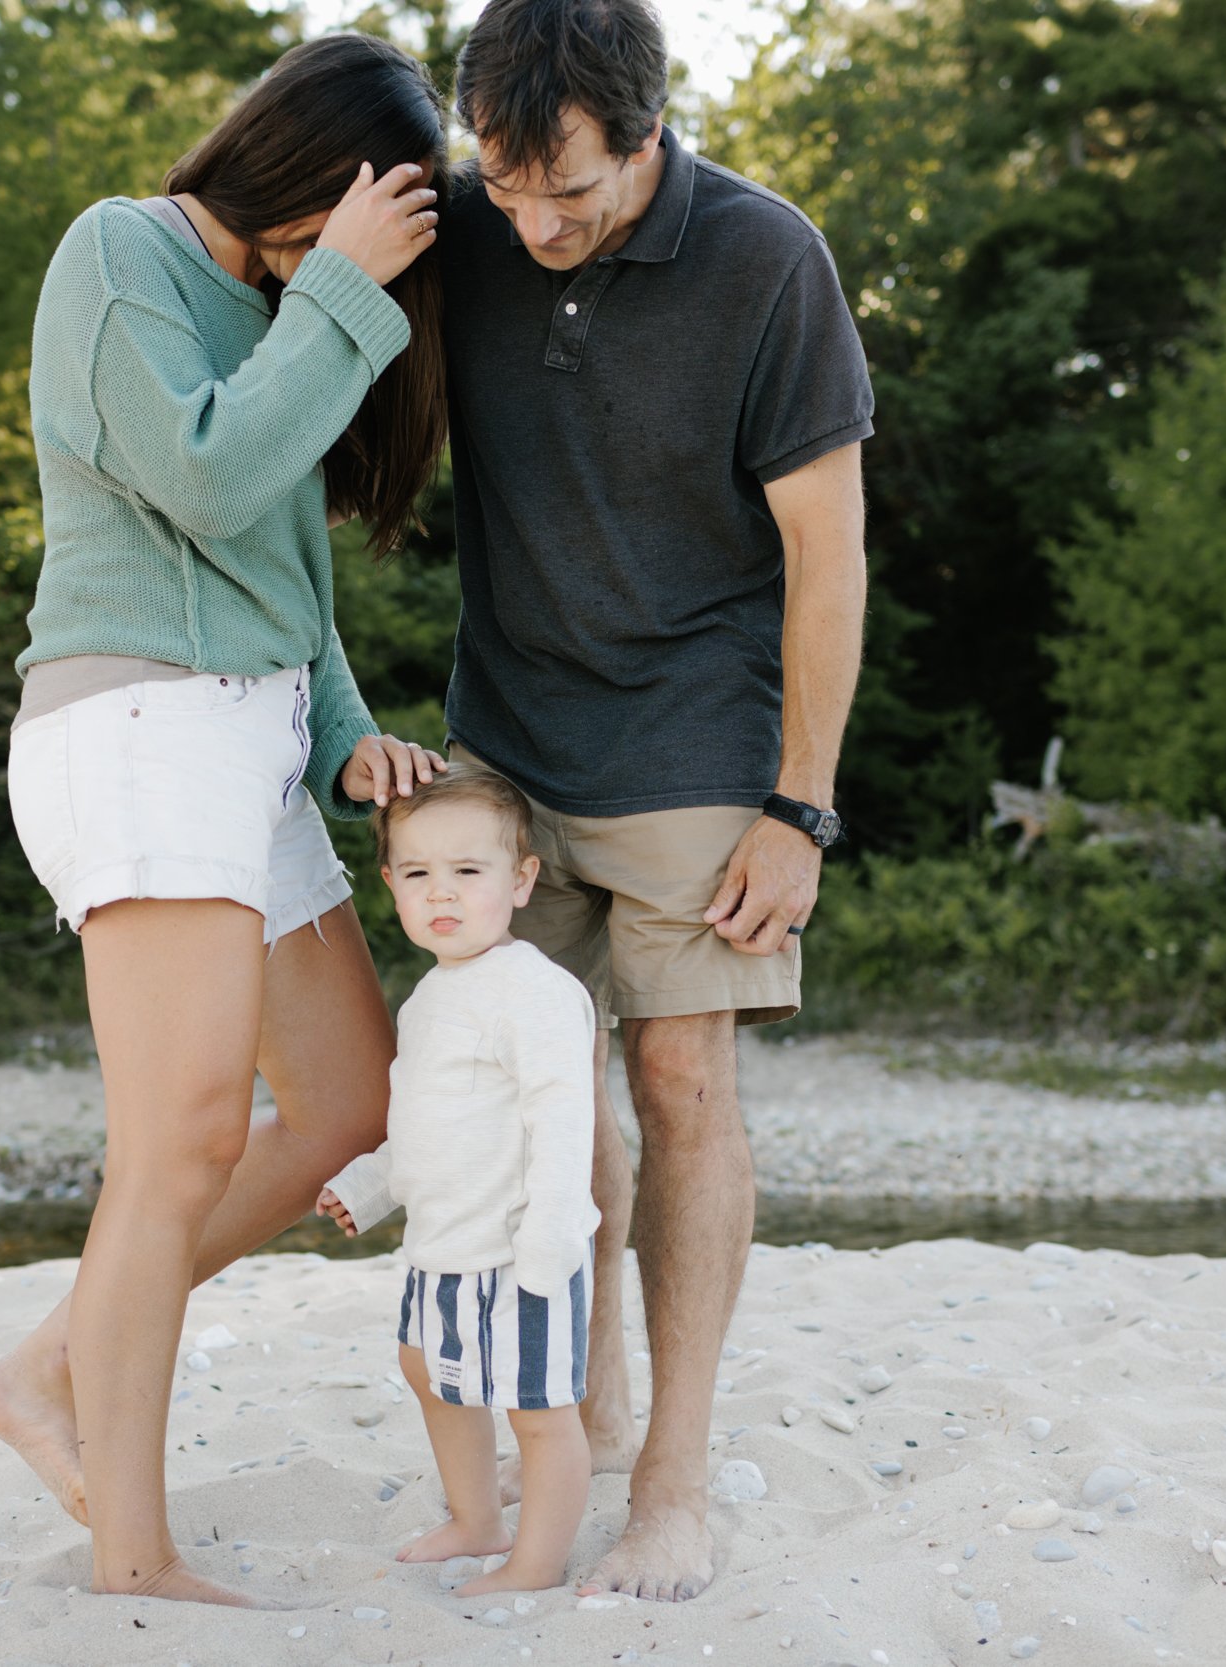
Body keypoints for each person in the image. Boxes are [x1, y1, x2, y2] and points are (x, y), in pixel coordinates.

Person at [0, 34, 452, 1608]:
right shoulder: (118, 250)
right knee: (172, 1143)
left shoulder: (272, 310)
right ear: (298, 159)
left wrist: (352, 738)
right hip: (137, 723)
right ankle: (132, 1547)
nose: (344, 267)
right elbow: (203, 476)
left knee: (348, 1103)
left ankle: (49, 1368)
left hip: (246, 730)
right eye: (343, 225)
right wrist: (340, 295)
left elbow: (288, 583)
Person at [435, 0, 878, 1602]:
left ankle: (671, 1470)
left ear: (649, 129)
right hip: (510, 732)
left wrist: (800, 805)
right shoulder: (468, 218)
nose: (537, 223)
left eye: (574, 189)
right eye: (507, 185)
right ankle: (584, 1385)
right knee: (532, 1089)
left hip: (699, 733)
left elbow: (827, 554)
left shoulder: (769, 261)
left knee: (678, 1077)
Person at [314, 766, 602, 1598]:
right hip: (441, 1242)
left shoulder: (536, 992)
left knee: (541, 1413)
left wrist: (549, 1239)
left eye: (468, 872)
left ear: (519, 880)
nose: (442, 892)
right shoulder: (431, 996)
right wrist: (371, 1185)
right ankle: (477, 1519)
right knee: (426, 1368)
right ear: (391, 885)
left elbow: (562, 1119)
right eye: (418, 874)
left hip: (519, 1247)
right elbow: (427, 1123)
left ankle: (535, 1562)